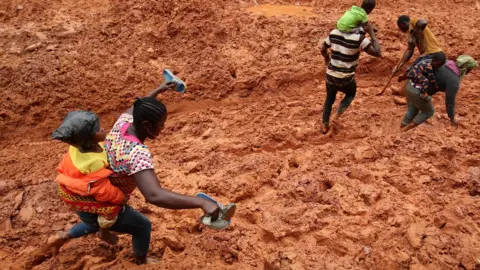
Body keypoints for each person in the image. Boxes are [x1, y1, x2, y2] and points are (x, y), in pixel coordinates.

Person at [48, 81, 224, 265]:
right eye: (161, 124)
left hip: (85, 199)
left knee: (95, 220)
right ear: (147, 125)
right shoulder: (136, 153)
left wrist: (159, 90)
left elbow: (136, 106)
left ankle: (66, 235)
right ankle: (141, 260)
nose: (163, 128)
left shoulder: (121, 125)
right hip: (102, 199)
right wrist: (201, 202)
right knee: (142, 226)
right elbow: (154, 195)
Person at [52, 111, 127, 246]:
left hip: (70, 181)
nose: (103, 129)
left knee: (92, 220)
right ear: (89, 139)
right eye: (98, 129)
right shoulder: (92, 163)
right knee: (111, 209)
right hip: (74, 192)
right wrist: (120, 197)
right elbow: (103, 190)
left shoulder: (81, 145)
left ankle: (66, 235)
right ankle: (105, 234)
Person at [319, 0, 381, 134]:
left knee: (329, 99)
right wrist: (371, 33)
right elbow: (377, 53)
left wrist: (327, 59)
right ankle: (338, 115)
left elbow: (323, 48)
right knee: (351, 93)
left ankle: (324, 124)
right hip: (346, 78)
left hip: (330, 75)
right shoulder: (360, 39)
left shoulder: (334, 32)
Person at [398, 52, 447, 132]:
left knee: (412, 110)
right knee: (429, 112)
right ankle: (406, 129)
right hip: (416, 87)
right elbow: (431, 77)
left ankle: (402, 127)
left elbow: (413, 66)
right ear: (434, 60)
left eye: (441, 65)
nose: (439, 67)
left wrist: (404, 76)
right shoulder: (429, 66)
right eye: (438, 65)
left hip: (409, 85)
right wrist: (435, 85)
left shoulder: (426, 59)